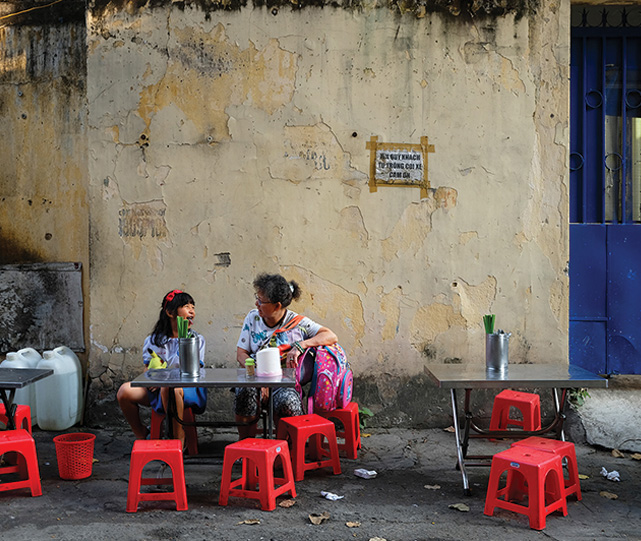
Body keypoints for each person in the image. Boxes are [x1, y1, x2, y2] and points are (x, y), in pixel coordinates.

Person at [235, 273, 338, 439]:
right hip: (253, 378)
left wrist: (301, 345)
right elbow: (241, 353)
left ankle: (285, 449)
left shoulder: (298, 323)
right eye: (257, 298)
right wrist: (257, 378)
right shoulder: (252, 318)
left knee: (287, 402)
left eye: (261, 301)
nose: (257, 304)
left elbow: (330, 335)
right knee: (245, 394)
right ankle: (246, 445)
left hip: (283, 383)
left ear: (277, 306)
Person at [117, 289, 207, 449]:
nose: (192, 310)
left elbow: (194, 371)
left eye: (193, 307)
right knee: (124, 391)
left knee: (169, 388)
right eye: (187, 306)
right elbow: (148, 369)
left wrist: (164, 381)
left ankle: (178, 440)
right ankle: (141, 434)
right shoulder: (154, 340)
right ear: (170, 312)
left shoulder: (195, 340)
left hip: (188, 388)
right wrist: (154, 379)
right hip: (158, 388)